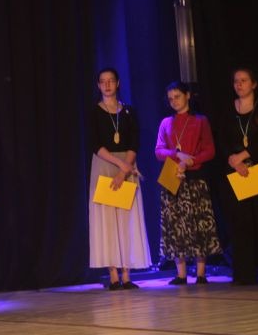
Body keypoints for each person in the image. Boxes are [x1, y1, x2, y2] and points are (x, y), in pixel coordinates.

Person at [219, 68, 258, 285]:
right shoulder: (228, 109)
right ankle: (245, 273)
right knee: (242, 222)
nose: (239, 84)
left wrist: (244, 155)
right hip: (237, 172)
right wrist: (233, 159)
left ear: (254, 84)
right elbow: (222, 139)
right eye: (236, 81)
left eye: (244, 80)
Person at [88, 68, 151, 289]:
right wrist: (119, 165)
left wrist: (125, 169)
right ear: (98, 85)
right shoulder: (94, 112)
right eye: (103, 81)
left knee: (127, 218)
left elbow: (135, 141)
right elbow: (95, 143)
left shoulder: (129, 111)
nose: (107, 85)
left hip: (127, 165)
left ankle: (127, 274)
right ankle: (113, 274)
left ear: (118, 83)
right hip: (105, 165)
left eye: (111, 81)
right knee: (107, 219)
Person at [155, 81, 221, 284]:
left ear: (188, 95)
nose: (174, 101)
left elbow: (210, 150)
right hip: (172, 176)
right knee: (175, 224)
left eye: (177, 96)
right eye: (170, 99)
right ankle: (181, 273)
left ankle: (200, 272)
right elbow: (158, 150)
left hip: (194, 177)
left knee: (199, 222)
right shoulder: (166, 122)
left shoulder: (200, 120)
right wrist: (177, 155)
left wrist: (191, 160)